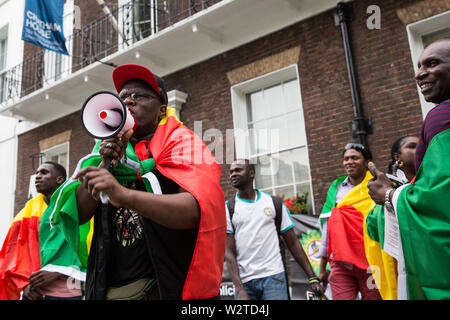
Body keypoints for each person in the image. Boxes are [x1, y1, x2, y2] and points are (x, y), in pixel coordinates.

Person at [45, 64, 226, 300]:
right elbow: (78, 213)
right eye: (123, 97)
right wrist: (104, 163)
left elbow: (195, 210)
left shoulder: (184, 144)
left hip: (165, 286)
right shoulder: (102, 151)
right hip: (108, 288)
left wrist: (124, 195)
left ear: (162, 110)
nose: (129, 101)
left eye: (140, 96)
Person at [368, 38, 450, 300]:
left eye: (432, 63)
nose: (419, 73)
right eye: (419, 65)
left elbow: (438, 199)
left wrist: (389, 196)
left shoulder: (441, 116)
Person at [225, 159, 323, 300]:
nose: (233, 174)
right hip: (245, 282)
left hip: (274, 277)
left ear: (251, 173)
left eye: (238, 170)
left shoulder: (273, 203)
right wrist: (239, 289)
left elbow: (293, 243)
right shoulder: (228, 208)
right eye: (231, 172)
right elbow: (229, 253)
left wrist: (312, 277)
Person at [318, 143, 381, 300]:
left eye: (355, 158)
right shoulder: (336, 189)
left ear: (368, 162)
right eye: (346, 159)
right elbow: (328, 227)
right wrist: (322, 268)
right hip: (341, 263)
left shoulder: (378, 186)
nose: (349, 162)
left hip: (371, 262)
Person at [0, 162, 67, 300]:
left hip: (69, 290)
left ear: (59, 179)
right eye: (36, 173)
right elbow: (11, 255)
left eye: (44, 172)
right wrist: (24, 285)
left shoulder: (75, 205)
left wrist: (60, 271)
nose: (37, 176)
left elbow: (86, 246)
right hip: (33, 292)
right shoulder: (25, 214)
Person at [364, 136, 418, 300]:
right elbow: (372, 230)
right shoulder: (387, 193)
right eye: (412, 146)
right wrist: (386, 201)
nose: (419, 148)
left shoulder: (431, 185)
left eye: (421, 145)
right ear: (397, 157)